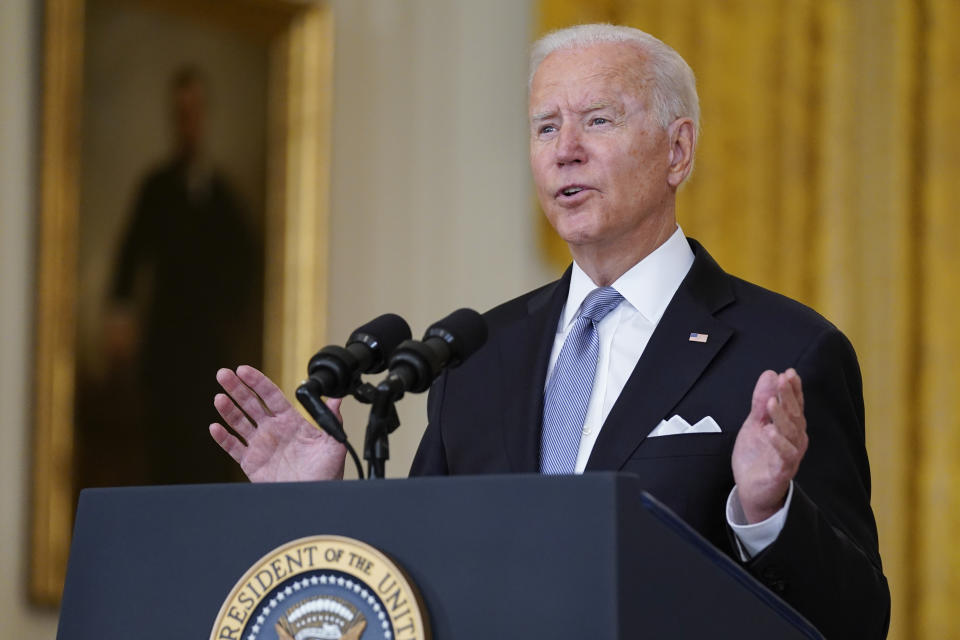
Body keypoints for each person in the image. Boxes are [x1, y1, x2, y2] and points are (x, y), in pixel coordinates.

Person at [209, 25, 889, 638]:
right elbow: (418, 586)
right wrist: (316, 510)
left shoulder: (784, 350)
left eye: (597, 121)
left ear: (677, 151)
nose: (565, 151)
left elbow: (858, 618)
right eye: (544, 127)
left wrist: (767, 511)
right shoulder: (474, 355)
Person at [108, 65, 262, 485]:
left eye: (195, 111)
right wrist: (120, 314)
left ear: (205, 117)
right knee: (166, 448)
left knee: (207, 449)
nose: (189, 122)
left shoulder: (223, 195)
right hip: (165, 345)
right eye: (181, 113)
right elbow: (129, 254)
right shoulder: (156, 187)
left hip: (207, 347)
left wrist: (228, 311)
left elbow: (247, 261)